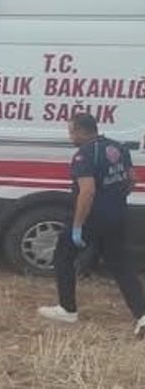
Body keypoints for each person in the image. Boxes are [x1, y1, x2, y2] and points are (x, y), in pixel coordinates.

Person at [38, 114, 145, 338]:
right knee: (120, 267)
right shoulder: (118, 147)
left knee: (63, 256)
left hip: (91, 218)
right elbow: (132, 180)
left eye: (71, 131)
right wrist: (114, 199)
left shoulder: (84, 155)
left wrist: (77, 226)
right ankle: (142, 315)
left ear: (81, 131)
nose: (70, 136)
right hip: (117, 216)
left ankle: (67, 309)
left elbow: (87, 192)